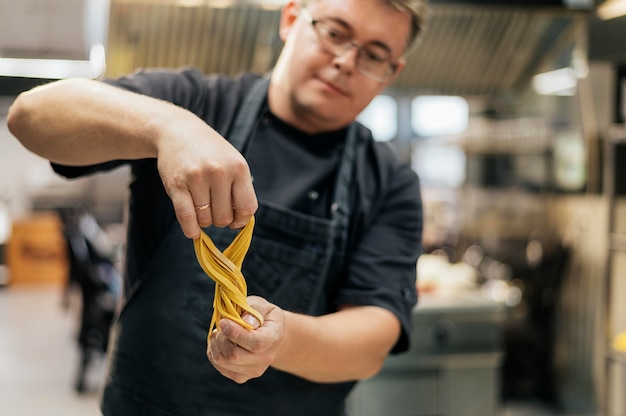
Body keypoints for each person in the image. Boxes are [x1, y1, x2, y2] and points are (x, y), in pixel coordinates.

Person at [7, 0, 427, 414]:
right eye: (335, 33)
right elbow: (30, 115)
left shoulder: (391, 183)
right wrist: (168, 128)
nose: (346, 62)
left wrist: (281, 339)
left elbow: (372, 338)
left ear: (394, 72)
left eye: (374, 55)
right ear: (292, 17)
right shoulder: (196, 102)